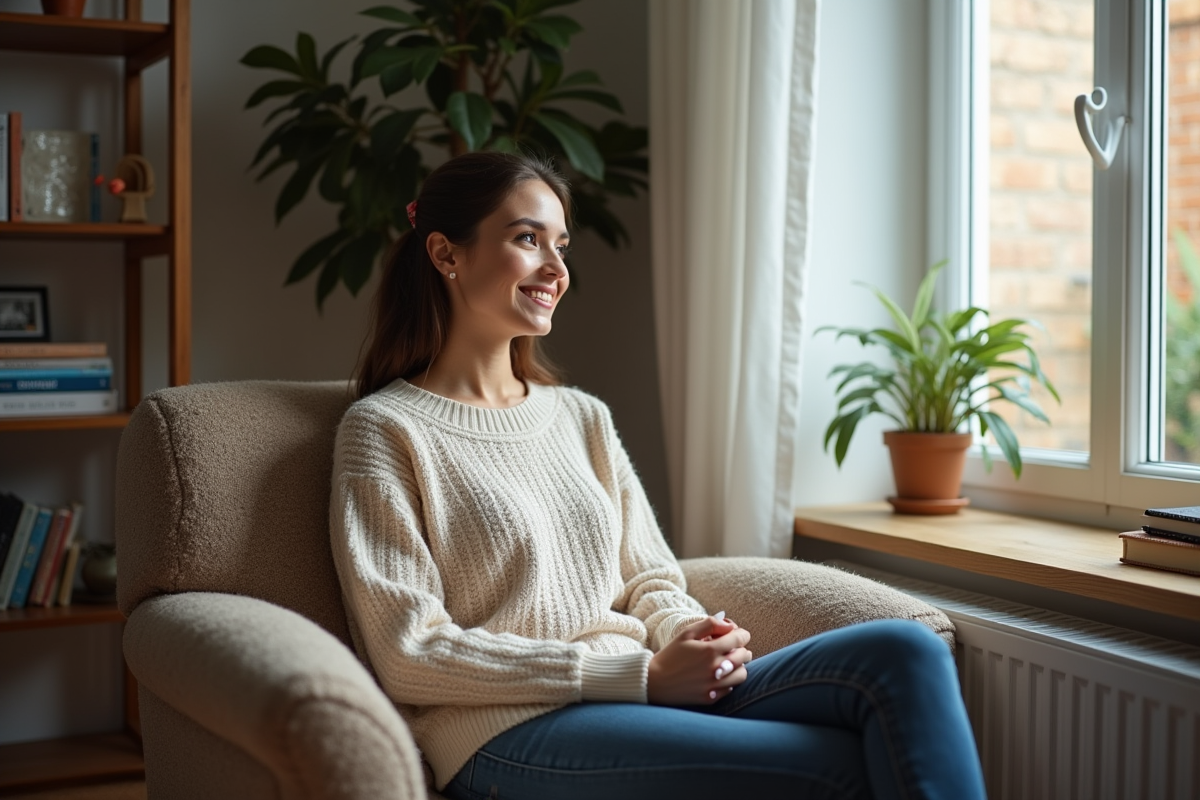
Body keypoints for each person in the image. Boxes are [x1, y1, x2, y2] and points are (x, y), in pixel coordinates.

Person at [329, 151, 987, 800]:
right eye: (528, 239)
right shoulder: (385, 430)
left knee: (906, 653)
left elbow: (651, 578)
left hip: (641, 689)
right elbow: (409, 650)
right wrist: (635, 676)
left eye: (561, 244)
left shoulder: (580, 417)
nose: (556, 269)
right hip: (506, 731)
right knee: (841, 764)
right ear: (447, 254)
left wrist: (687, 635)